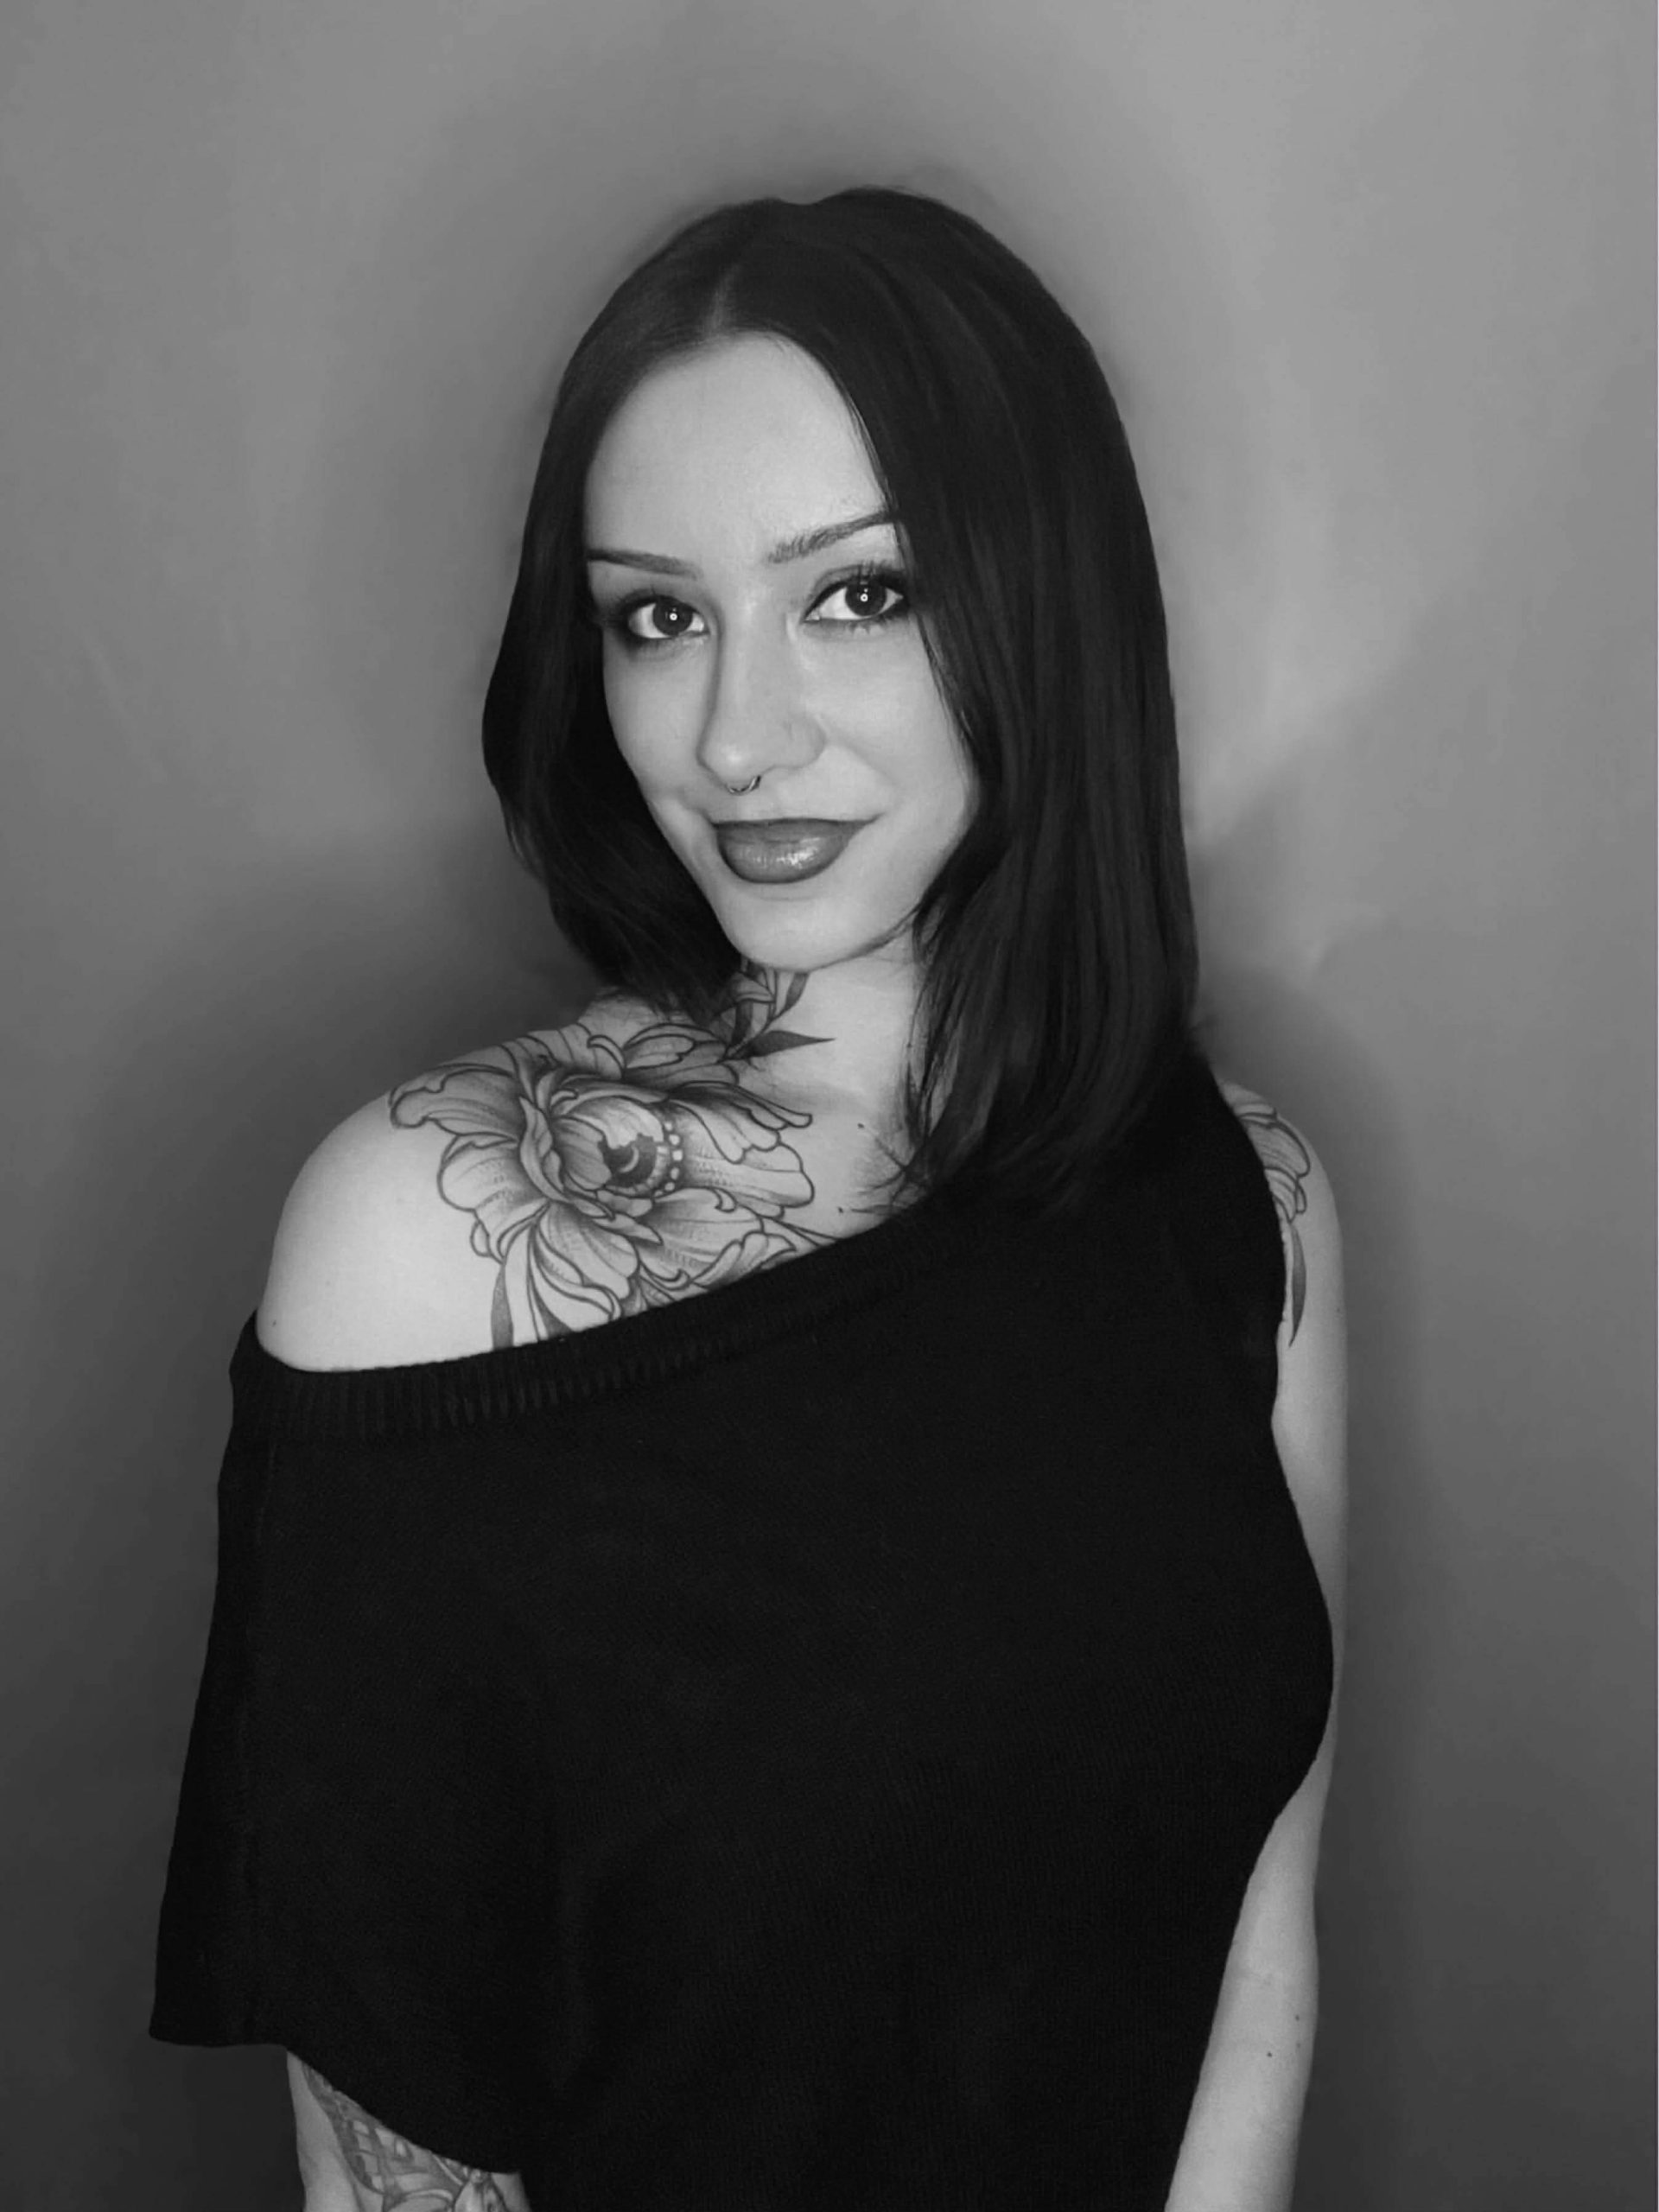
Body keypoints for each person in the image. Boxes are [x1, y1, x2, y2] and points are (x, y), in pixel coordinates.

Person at [150, 185, 1345, 2212]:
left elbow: (1256, 1931)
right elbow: (392, 2158)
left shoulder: (1255, 1199)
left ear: (1045, 603)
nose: (734, 734)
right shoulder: (425, 1235)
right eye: (659, 615)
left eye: (857, 593)